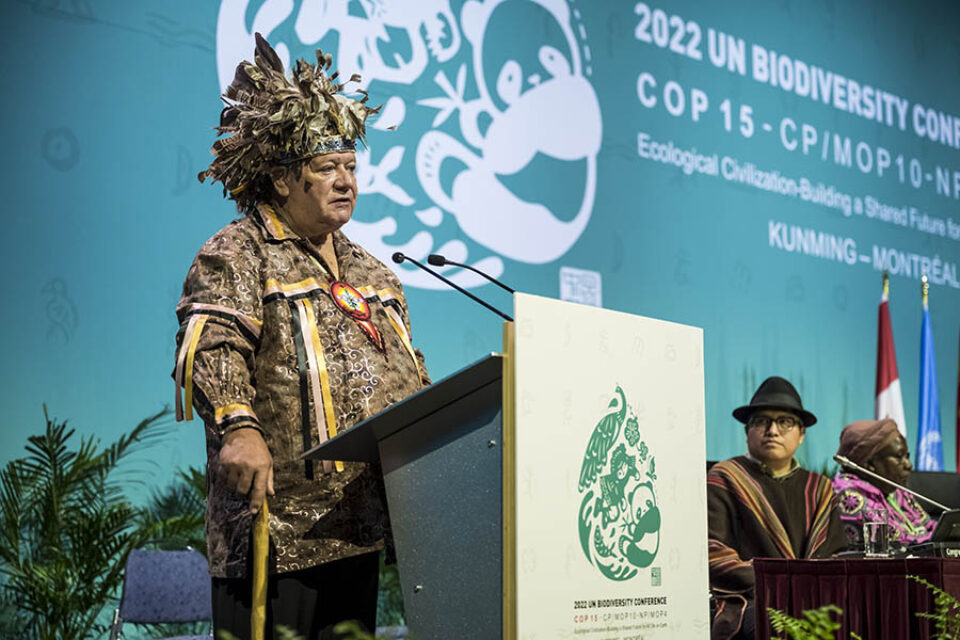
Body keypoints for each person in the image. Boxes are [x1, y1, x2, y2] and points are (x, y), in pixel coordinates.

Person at [173, 34, 429, 640]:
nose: (345, 181)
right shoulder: (238, 251)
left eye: (351, 167)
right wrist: (238, 426)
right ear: (284, 179)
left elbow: (410, 371)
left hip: (358, 522)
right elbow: (213, 346)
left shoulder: (376, 272)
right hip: (275, 527)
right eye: (326, 169)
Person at [707, 376, 846, 640]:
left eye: (785, 422)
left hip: (814, 599)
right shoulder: (725, 478)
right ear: (747, 432)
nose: (772, 430)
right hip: (748, 599)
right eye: (761, 421)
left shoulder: (819, 489)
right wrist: (782, 584)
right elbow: (713, 552)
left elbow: (835, 556)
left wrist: (804, 590)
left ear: (802, 434)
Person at [833, 419, 935, 548]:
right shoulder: (848, 496)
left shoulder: (896, 491)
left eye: (907, 456)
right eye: (898, 457)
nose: (908, 465)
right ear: (869, 464)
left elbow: (930, 526)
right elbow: (897, 542)